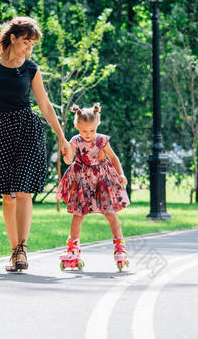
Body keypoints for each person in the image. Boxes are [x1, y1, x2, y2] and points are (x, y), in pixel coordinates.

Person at [0, 16, 72, 272]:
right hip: (0, 130)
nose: (29, 48)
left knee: (23, 191)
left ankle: (22, 250)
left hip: (28, 129)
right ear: (12, 38)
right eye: (26, 42)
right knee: (7, 197)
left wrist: (62, 137)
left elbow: (45, 105)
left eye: (32, 44)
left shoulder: (31, 69)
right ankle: (14, 252)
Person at [56, 103, 131, 271]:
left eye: (91, 130)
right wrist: (67, 153)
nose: (88, 135)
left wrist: (121, 174)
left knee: (110, 213)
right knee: (78, 215)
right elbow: (69, 159)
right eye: (84, 131)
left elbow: (113, 157)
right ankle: (72, 248)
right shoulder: (75, 140)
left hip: (101, 181)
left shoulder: (101, 140)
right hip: (82, 181)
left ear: (97, 125)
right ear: (77, 126)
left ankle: (120, 245)